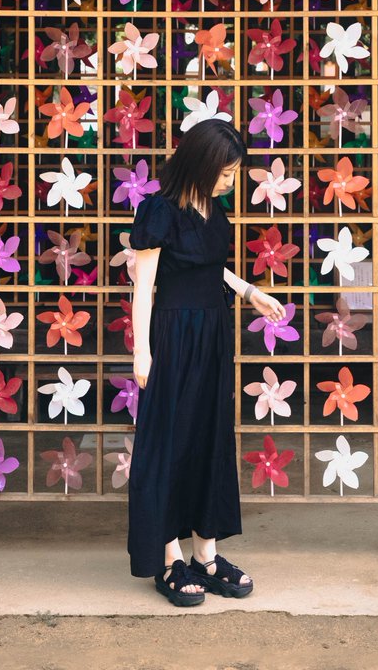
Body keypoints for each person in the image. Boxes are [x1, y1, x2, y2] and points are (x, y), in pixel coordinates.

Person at [126, 118, 286, 606]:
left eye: (234, 173)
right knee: (170, 444)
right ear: (201, 163)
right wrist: (142, 350)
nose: (230, 181)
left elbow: (212, 268)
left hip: (213, 336)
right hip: (173, 337)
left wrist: (250, 291)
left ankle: (207, 555)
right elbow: (143, 285)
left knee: (208, 439)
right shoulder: (159, 211)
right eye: (226, 172)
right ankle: (170, 559)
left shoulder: (214, 212)